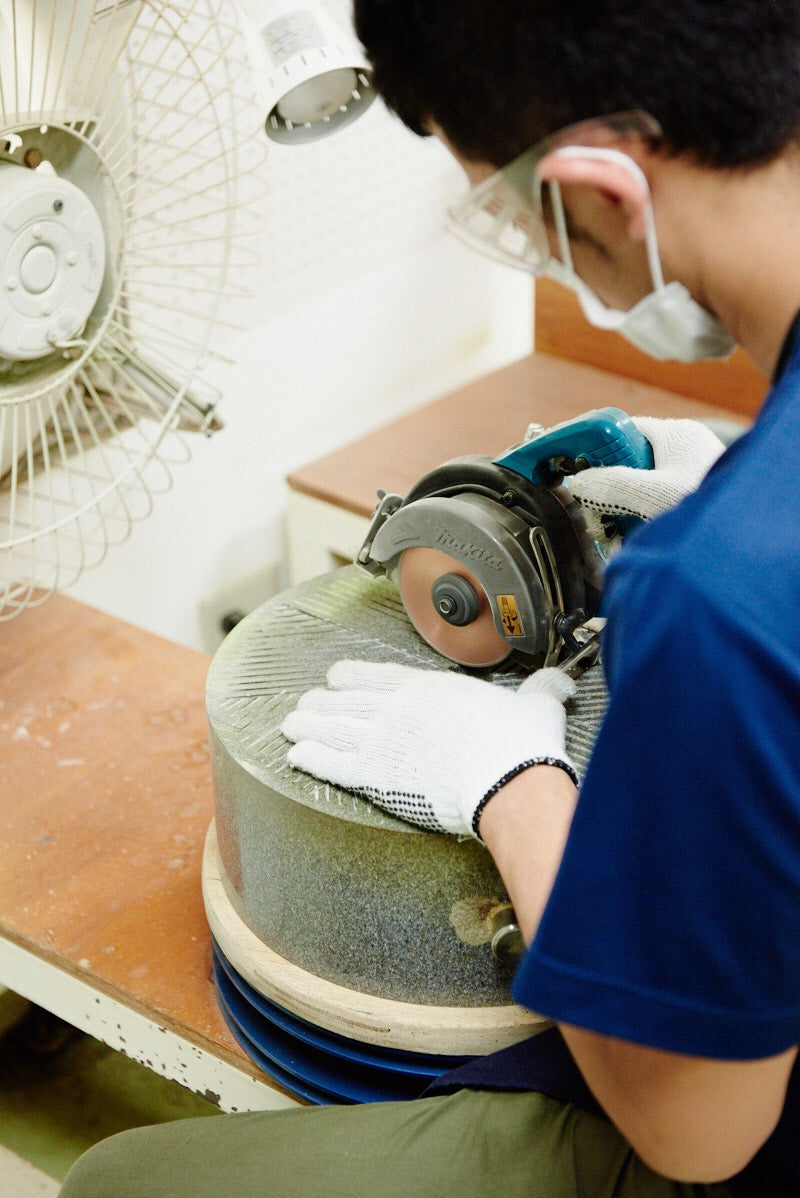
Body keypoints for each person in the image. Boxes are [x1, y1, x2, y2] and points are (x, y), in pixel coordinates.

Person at [60, 3, 800, 1195]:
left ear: (600, 195)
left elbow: (697, 1130)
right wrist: (746, 460)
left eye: (531, 224)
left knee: (115, 1183)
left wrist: (511, 789)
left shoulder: (719, 599)